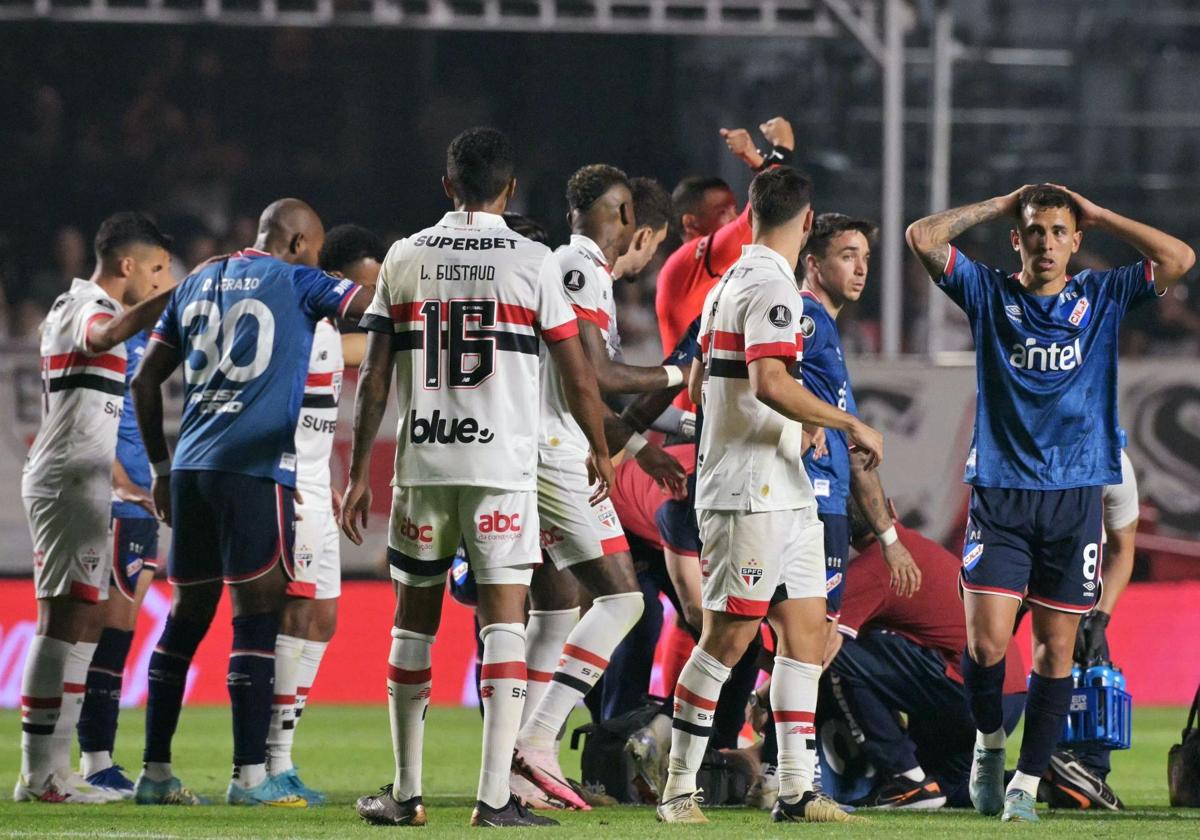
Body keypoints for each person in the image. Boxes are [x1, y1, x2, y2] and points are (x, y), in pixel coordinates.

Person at [339, 127, 613, 828]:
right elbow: (578, 373)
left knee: (414, 623)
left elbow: (374, 375)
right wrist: (601, 448)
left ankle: (407, 792)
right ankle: (494, 800)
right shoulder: (533, 261)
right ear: (510, 188)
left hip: (424, 466)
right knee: (503, 626)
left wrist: (358, 473)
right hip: (501, 470)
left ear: (447, 184)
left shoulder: (404, 257)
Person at [905, 184, 1194, 822]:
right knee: (985, 645)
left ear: (1075, 240)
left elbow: (1178, 258)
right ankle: (988, 745)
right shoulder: (989, 294)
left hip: (1074, 494)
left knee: (1055, 650)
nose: (1045, 242)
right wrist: (1002, 202)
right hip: (1002, 493)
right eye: (1034, 231)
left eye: (1059, 231)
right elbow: (923, 237)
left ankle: (1024, 786)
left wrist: (1102, 212)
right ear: (1018, 238)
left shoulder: (1102, 296)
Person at [657, 166, 884, 825]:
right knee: (728, 639)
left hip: (783, 489)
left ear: (751, 214)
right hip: (748, 492)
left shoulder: (728, 281)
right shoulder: (771, 289)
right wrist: (844, 421)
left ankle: (795, 788)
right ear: (808, 223)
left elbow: (703, 382)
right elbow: (769, 382)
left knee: (804, 638)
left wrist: (800, 421)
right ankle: (676, 788)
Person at [132, 198, 369, 807]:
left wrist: (160, 467)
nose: (318, 262)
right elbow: (373, 309)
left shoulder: (198, 278)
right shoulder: (296, 279)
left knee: (184, 621)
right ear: (297, 244)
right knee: (256, 623)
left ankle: (154, 773)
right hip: (256, 470)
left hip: (189, 468)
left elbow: (143, 378)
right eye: (315, 250)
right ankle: (249, 777)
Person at [514, 164, 688, 811]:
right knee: (623, 600)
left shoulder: (565, 265)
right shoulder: (582, 267)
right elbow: (599, 374)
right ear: (630, 225)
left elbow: (577, 382)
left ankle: (520, 767)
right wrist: (678, 372)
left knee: (555, 610)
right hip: (557, 456)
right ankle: (534, 740)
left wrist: (636, 445)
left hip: (541, 448)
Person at [16, 212, 174, 804]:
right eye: (158, 270)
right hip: (66, 484)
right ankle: (39, 776)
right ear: (126, 266)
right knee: (59, 624)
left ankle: (57, 770)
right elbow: (105, 338)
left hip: (83, 480)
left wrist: (122, 482)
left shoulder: (78, 309)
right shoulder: (88, 309)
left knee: (77, 620)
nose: (162, 280)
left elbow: (87, 414)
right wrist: (182, 294)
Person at [265, 224, 387, 803]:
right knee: (301, 615)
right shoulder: (304, 323)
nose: (369, 303)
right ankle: (270, 761)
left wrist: (333, 481)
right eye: (365, 287)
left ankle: (274, 757)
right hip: (289, 485)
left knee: (324, 619)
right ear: (336, 281)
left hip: (317, 483)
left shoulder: (331, 334)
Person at [821, 503, 1027, 810]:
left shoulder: (870, 569)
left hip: (965, 694)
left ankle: (906, 777)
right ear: (891, 508)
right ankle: (1040, 781)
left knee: (841, 657)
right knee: (950, 791)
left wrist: (761, 700)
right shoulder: (919, 546)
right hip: (1007, 699)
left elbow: (817, 653)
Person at [74, 324, 161, 799]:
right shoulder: (108, 336)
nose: (163, 279)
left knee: (120, 631)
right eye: (157, 269)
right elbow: (91, 417)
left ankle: (96, 761)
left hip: (143, 502)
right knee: (104, 630)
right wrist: (121, 481)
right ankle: (92, 761)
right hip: (120, 503)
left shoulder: (151, 338)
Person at [1042, 447, 1140, 811]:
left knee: (1093, 666)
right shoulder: (1027, 455)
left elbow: (1122, 550)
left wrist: (1099, 619)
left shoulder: (1116, 463)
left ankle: (1086, 773)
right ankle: (1053, 769)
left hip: (1078, 581)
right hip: (1025, 572)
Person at [655, 117, 795, 360]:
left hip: (716, 396)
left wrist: (759, 161)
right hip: (691, 398)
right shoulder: (687, 262)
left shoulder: (724, 268)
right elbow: (767, 208)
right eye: (723, 212)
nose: (734, 219)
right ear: (690, 222)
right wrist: (782, 149)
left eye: (735, 210)